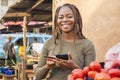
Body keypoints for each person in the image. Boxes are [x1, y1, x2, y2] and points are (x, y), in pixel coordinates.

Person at [35, 3, 96, 80]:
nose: (64, 20)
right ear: (57, 21)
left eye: (69, 17)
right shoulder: (49, 43)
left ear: (77, 19)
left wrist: (73, 67)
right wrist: (47, 66)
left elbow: (90, 77)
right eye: (60, 17)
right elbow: (38, 76)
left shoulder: (87, 45)